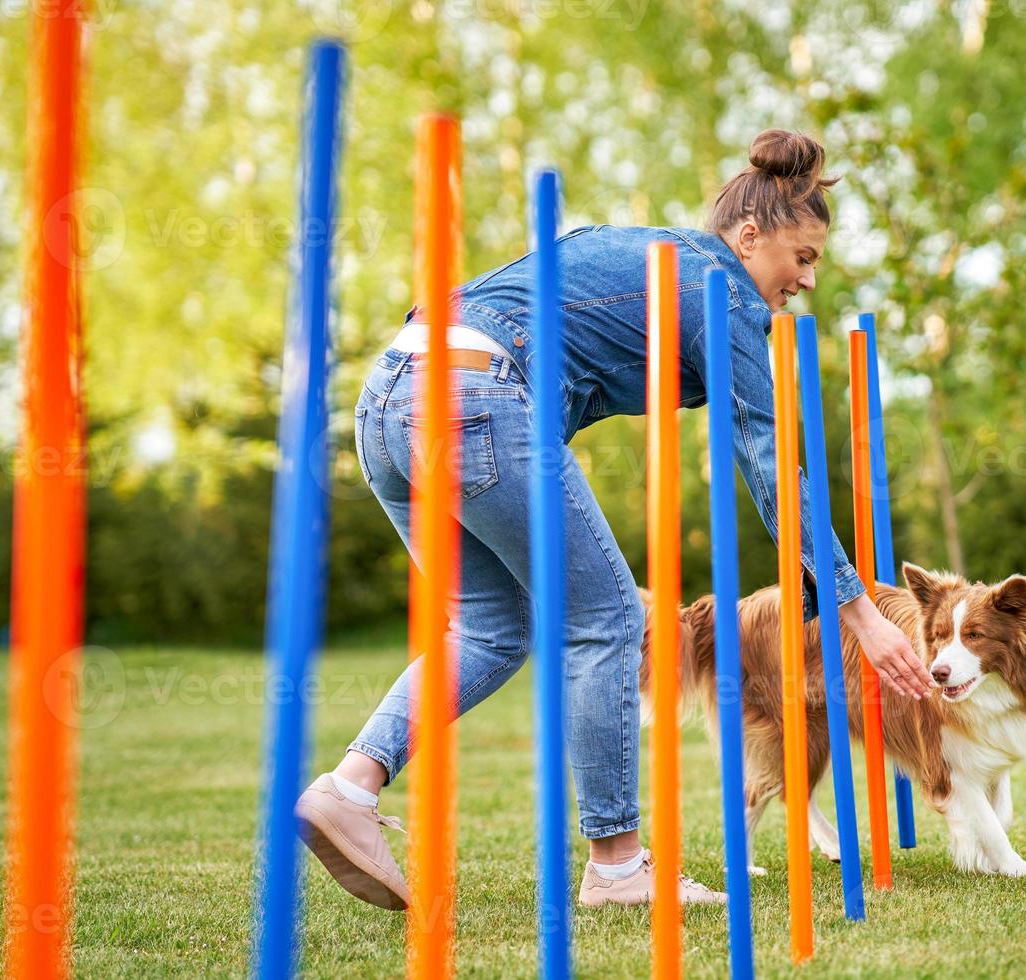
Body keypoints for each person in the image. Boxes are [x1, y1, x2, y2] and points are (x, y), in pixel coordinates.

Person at [294, 129, 935, 912]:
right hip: (474, 400)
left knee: (491, 628)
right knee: (603, 619)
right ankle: (618, 863)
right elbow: (770, 462)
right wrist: (859, 612)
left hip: (389, 399)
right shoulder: (717, 288)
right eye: (800, 257)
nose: (806, 279)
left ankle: (349, 789)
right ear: (748, 237)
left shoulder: (626, 246)